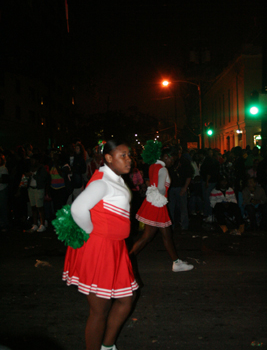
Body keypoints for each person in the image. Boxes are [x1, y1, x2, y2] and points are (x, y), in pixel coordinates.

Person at [62, 139, 139, 350]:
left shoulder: (114, 178)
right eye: (122, 155)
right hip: (100, 250)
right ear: (108, 158)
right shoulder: (102, 182)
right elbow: (78, 209)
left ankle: (107, 345)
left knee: (126, 299)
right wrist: (90, 232)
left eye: (129, 155)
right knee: (100, 310)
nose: (128, 159)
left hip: (114, 247)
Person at [129, 141, 194, 272]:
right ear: (166, 157)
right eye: (173, 159)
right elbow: (160, 189)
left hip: (154, 203)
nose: (173, 162)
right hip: (158, 205)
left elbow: (150, 183)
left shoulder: (153, 166)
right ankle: (127, 259)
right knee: (148, 237)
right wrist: (164, 192)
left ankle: (176, 262)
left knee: (164, 235)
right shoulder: (163, 169)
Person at [168, 146, 194, 230]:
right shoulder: (170, 162)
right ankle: (171, 226)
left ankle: (184, 226)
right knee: (171, 208)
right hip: (171, 187)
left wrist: (185, 187)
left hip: (180, 187)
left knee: (183, 207)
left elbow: (189, 175)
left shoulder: (184, 162)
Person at [27, 154, 49, 233]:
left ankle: (42, 224)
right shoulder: (31, 168)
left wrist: (33, 175)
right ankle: (35, 223)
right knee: (33, 207)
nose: (32, 162)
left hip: (38, 189)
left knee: (40, 207)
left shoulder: (41, 168)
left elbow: (43, 179)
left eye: (33, 160)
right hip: (31, 189)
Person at [0, 153, 9, 232]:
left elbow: (4, 180)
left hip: (2, 189)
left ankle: (5, 224)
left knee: (3, 208)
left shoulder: (3, 168)